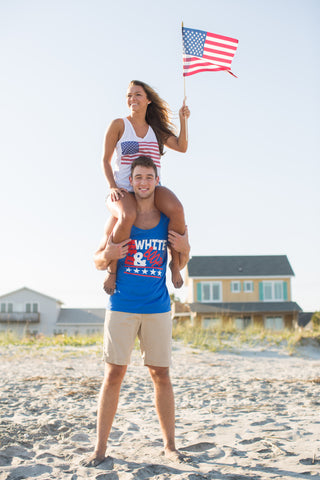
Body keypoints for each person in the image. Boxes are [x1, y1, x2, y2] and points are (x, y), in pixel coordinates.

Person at [83, 156, 190, 467]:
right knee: (114, 373)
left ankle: (170, 446)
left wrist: (185, 247)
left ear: (156, 181)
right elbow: (96, 258)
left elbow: (184, 252)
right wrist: (108, 254)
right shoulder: (118, 220)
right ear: (131, 182)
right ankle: (100, 449)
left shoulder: (167, 218)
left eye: (148, 177)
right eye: (137, 178)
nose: (143, 183)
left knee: (161, 375)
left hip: (157, 306)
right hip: (122, 305)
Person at [102, 80, 190, 295]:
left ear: (148, 100)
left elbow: (182, 147)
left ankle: (175, 265)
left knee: (177, 209)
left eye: (137, 95)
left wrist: (183, 120)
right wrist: (112, 186)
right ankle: (112, 272)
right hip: (123, 189)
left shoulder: (156, 130)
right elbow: (105, 160)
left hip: (152, 189)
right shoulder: (119, 125)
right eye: (129, 95)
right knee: (127, 215)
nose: (132, 99)